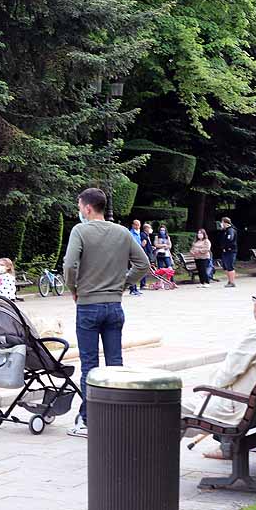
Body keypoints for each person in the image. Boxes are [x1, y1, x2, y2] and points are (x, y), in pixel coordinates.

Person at [63, 187, 150, 438]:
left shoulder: (80, 230)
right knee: (116, 363)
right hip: (114, 306)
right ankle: (119, 415)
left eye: (80, 206)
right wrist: (123, 284)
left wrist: (74, 288)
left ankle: (90, 420)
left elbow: (70, 265)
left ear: (88, 208)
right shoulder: (122, 232)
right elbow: (143, 264)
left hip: (88, 304)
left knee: (90, 365)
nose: (79, 210)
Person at [184, 286, 256, 459]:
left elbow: (229, 371)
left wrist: (209, 389)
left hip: (241, 407)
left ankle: (156, 460)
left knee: (171, 409)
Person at [218, 217, 238, 288]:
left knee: (230, 266)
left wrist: (226, 247)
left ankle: (232, 282)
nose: (221, 224)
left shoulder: (231, 230)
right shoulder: (225, 230)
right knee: (225, 266)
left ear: (225, 223)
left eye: (222, 222)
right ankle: (229, 281)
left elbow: (230, 239)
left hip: (230, 251)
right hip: (225, 251)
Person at [128, 219, 143, 296]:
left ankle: (134, 289)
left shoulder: (139, 233)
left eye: (139, 224)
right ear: (133, 225)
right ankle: (132, 289)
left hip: (138, 255)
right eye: (136, 224)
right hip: (132, 255)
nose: (137, 226)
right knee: (133, 272)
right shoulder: (131, 233)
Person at [140, 223, 156, 291]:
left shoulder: (147, 235)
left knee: (146, 269)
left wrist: (151, 247)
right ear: (146, 229)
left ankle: (144, 283)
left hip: (148, 253)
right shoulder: (143, 235)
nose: (150, 229)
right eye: (149, 228)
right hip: (145, 254)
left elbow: (147, 245)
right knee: (144, 269)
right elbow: (143, 245)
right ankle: (142, 284)